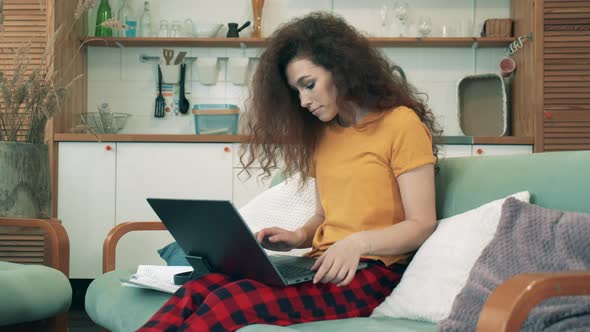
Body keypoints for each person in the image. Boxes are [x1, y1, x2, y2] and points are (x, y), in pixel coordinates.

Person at [138, 11, 441, 332]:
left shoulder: (401, 124)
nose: (304, 101)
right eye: (297, 92)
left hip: (373, 272)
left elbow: (422, 224)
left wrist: (358, 243)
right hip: (319, 264)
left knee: (227, 303)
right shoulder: (325, 135)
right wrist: (297, 237)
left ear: (342, 69)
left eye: (308, 85)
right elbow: (325, 218)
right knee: (200, 288)